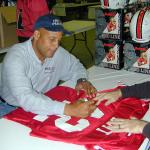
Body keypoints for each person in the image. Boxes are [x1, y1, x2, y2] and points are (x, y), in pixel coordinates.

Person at [1, 14, 97, 118]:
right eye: (52, 39)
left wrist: (81, 80)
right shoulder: (16, 57)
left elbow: (76, 66)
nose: (56, 46)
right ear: (37, 35)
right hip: (10, 107)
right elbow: (26, 98)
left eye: (59, 40)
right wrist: (68, 109)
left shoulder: (57, 52)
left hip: (44, 103)